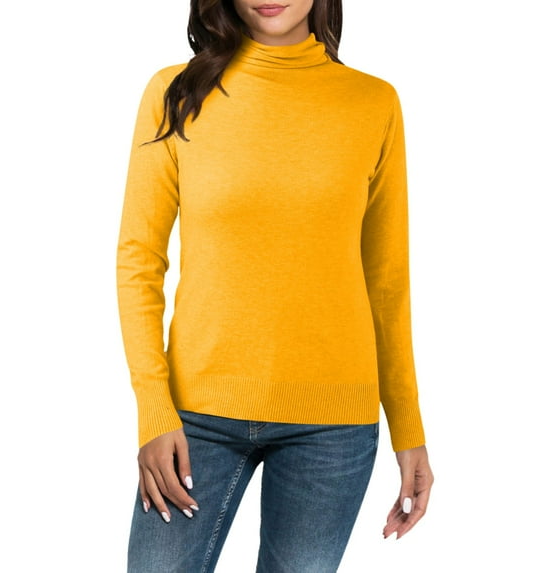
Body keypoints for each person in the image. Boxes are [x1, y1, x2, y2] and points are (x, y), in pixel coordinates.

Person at [116, 1, 434, 571]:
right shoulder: (175, 93)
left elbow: (386, 281)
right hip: (195, 416)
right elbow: (138, 261)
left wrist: (408, 429)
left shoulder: (373, 102)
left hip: (332, 426)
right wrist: (154, 412)